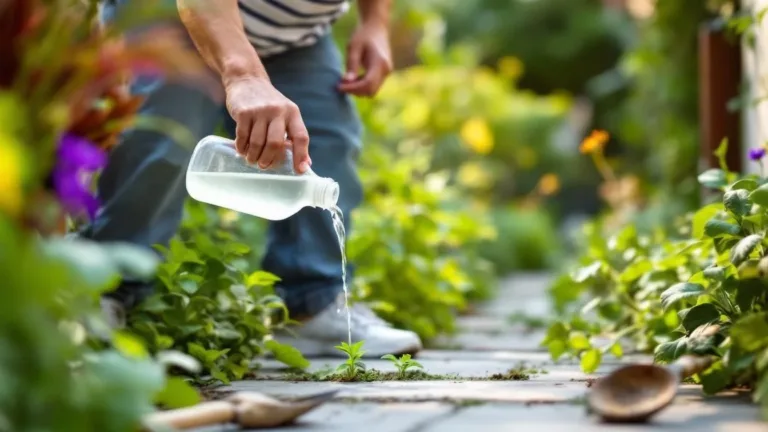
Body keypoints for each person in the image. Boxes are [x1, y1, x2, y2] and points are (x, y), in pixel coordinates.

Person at [91, 0, 423, 357]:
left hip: (292, 36)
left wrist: (374, 22)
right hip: (171, 14)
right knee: (161, 144)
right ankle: (104, 293)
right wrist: (244, 76)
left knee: (324, 141)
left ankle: (312, 307)